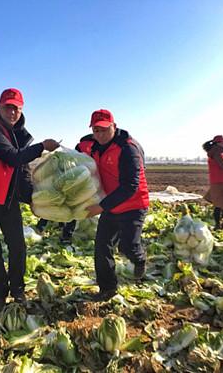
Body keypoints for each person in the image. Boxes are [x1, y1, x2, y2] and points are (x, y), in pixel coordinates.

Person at [0, 88, 60, 311]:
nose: (13, 112)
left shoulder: (19, 133)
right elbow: (12, 157)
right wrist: (42, 147)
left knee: (18, 246)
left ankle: (17, 290)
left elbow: (22, 170)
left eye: (17, 108)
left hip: (7, 200)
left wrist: (34, 200)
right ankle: (0, 292)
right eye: (9, 107)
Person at [79, 109, 150, 302]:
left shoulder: (128, 149)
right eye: (96, 130)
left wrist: (100, 207)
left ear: (114, 126)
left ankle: (139, 258)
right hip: (111, 205)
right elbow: (76, 153)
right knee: (102, 247)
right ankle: (108, 288)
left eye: (104, 129)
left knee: (127, 246)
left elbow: (130, 186)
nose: (100, 134)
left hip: (133, 205)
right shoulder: (90, 144)